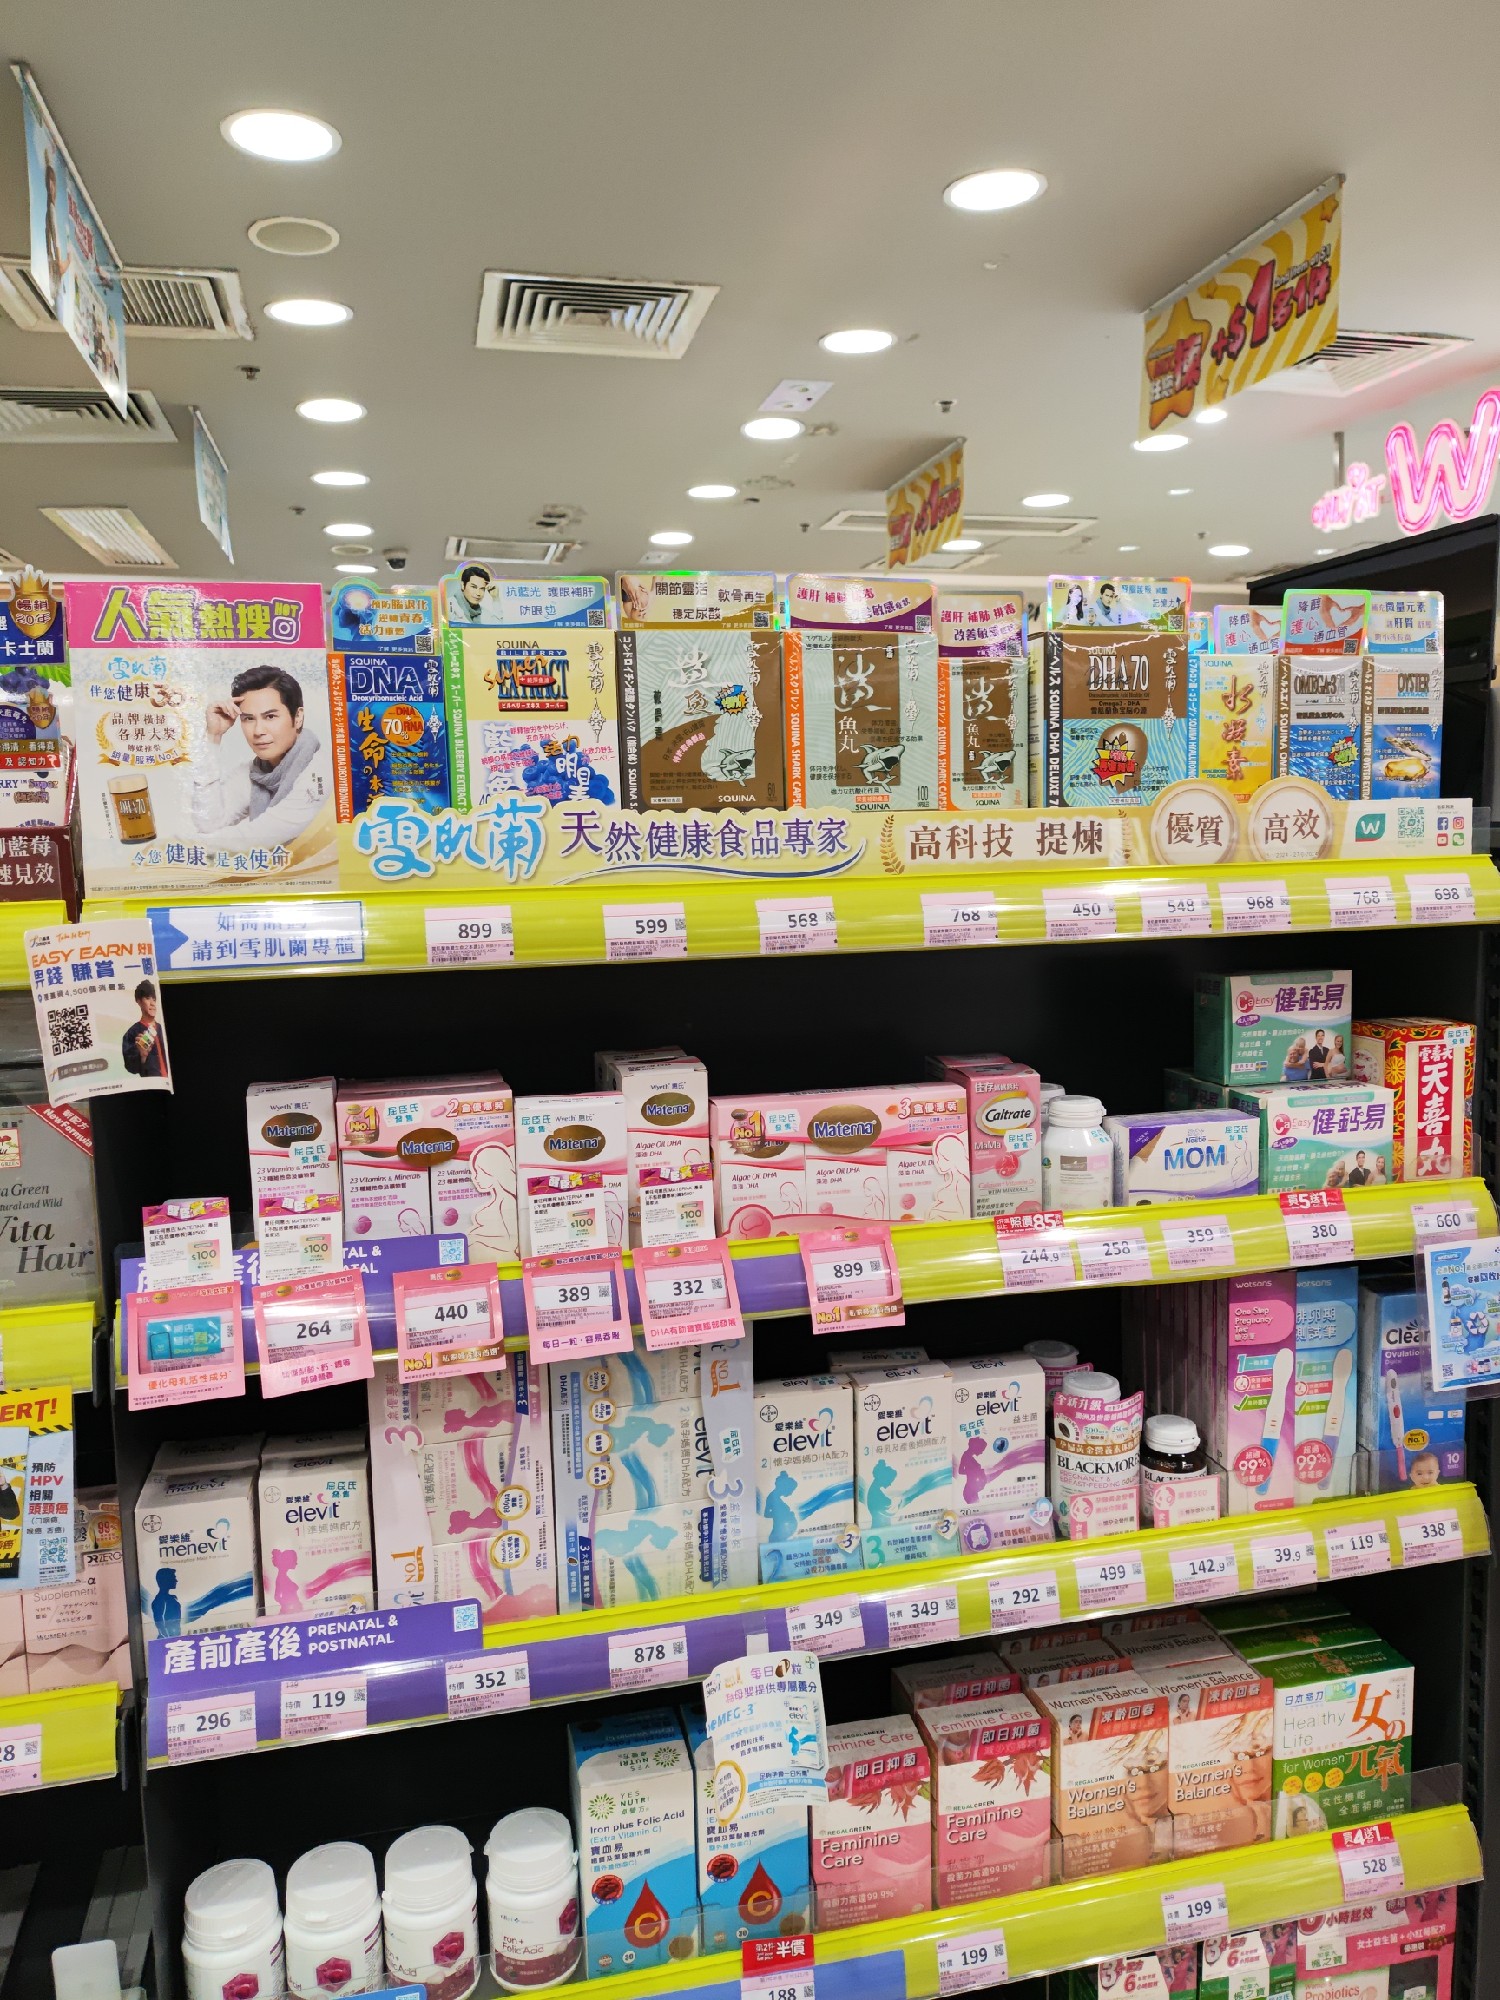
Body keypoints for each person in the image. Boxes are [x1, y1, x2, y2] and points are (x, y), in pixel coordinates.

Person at [191, 665, 328, 851]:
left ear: (298, 717)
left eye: (270, 716)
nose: (258, 731)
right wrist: (213, 737)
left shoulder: (320, 770)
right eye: (249, 718)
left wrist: (185, 845)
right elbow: (207, 822)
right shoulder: (255, 772)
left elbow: (259, 836)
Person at [121, 980, 167, 1079]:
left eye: (154, 999)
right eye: (147, 998)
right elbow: (130, 1067)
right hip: (153, 1083)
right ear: (139, 1001)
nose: (152, 1003)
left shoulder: (163, 1028)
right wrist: (142, 1056)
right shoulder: (132, 1033)